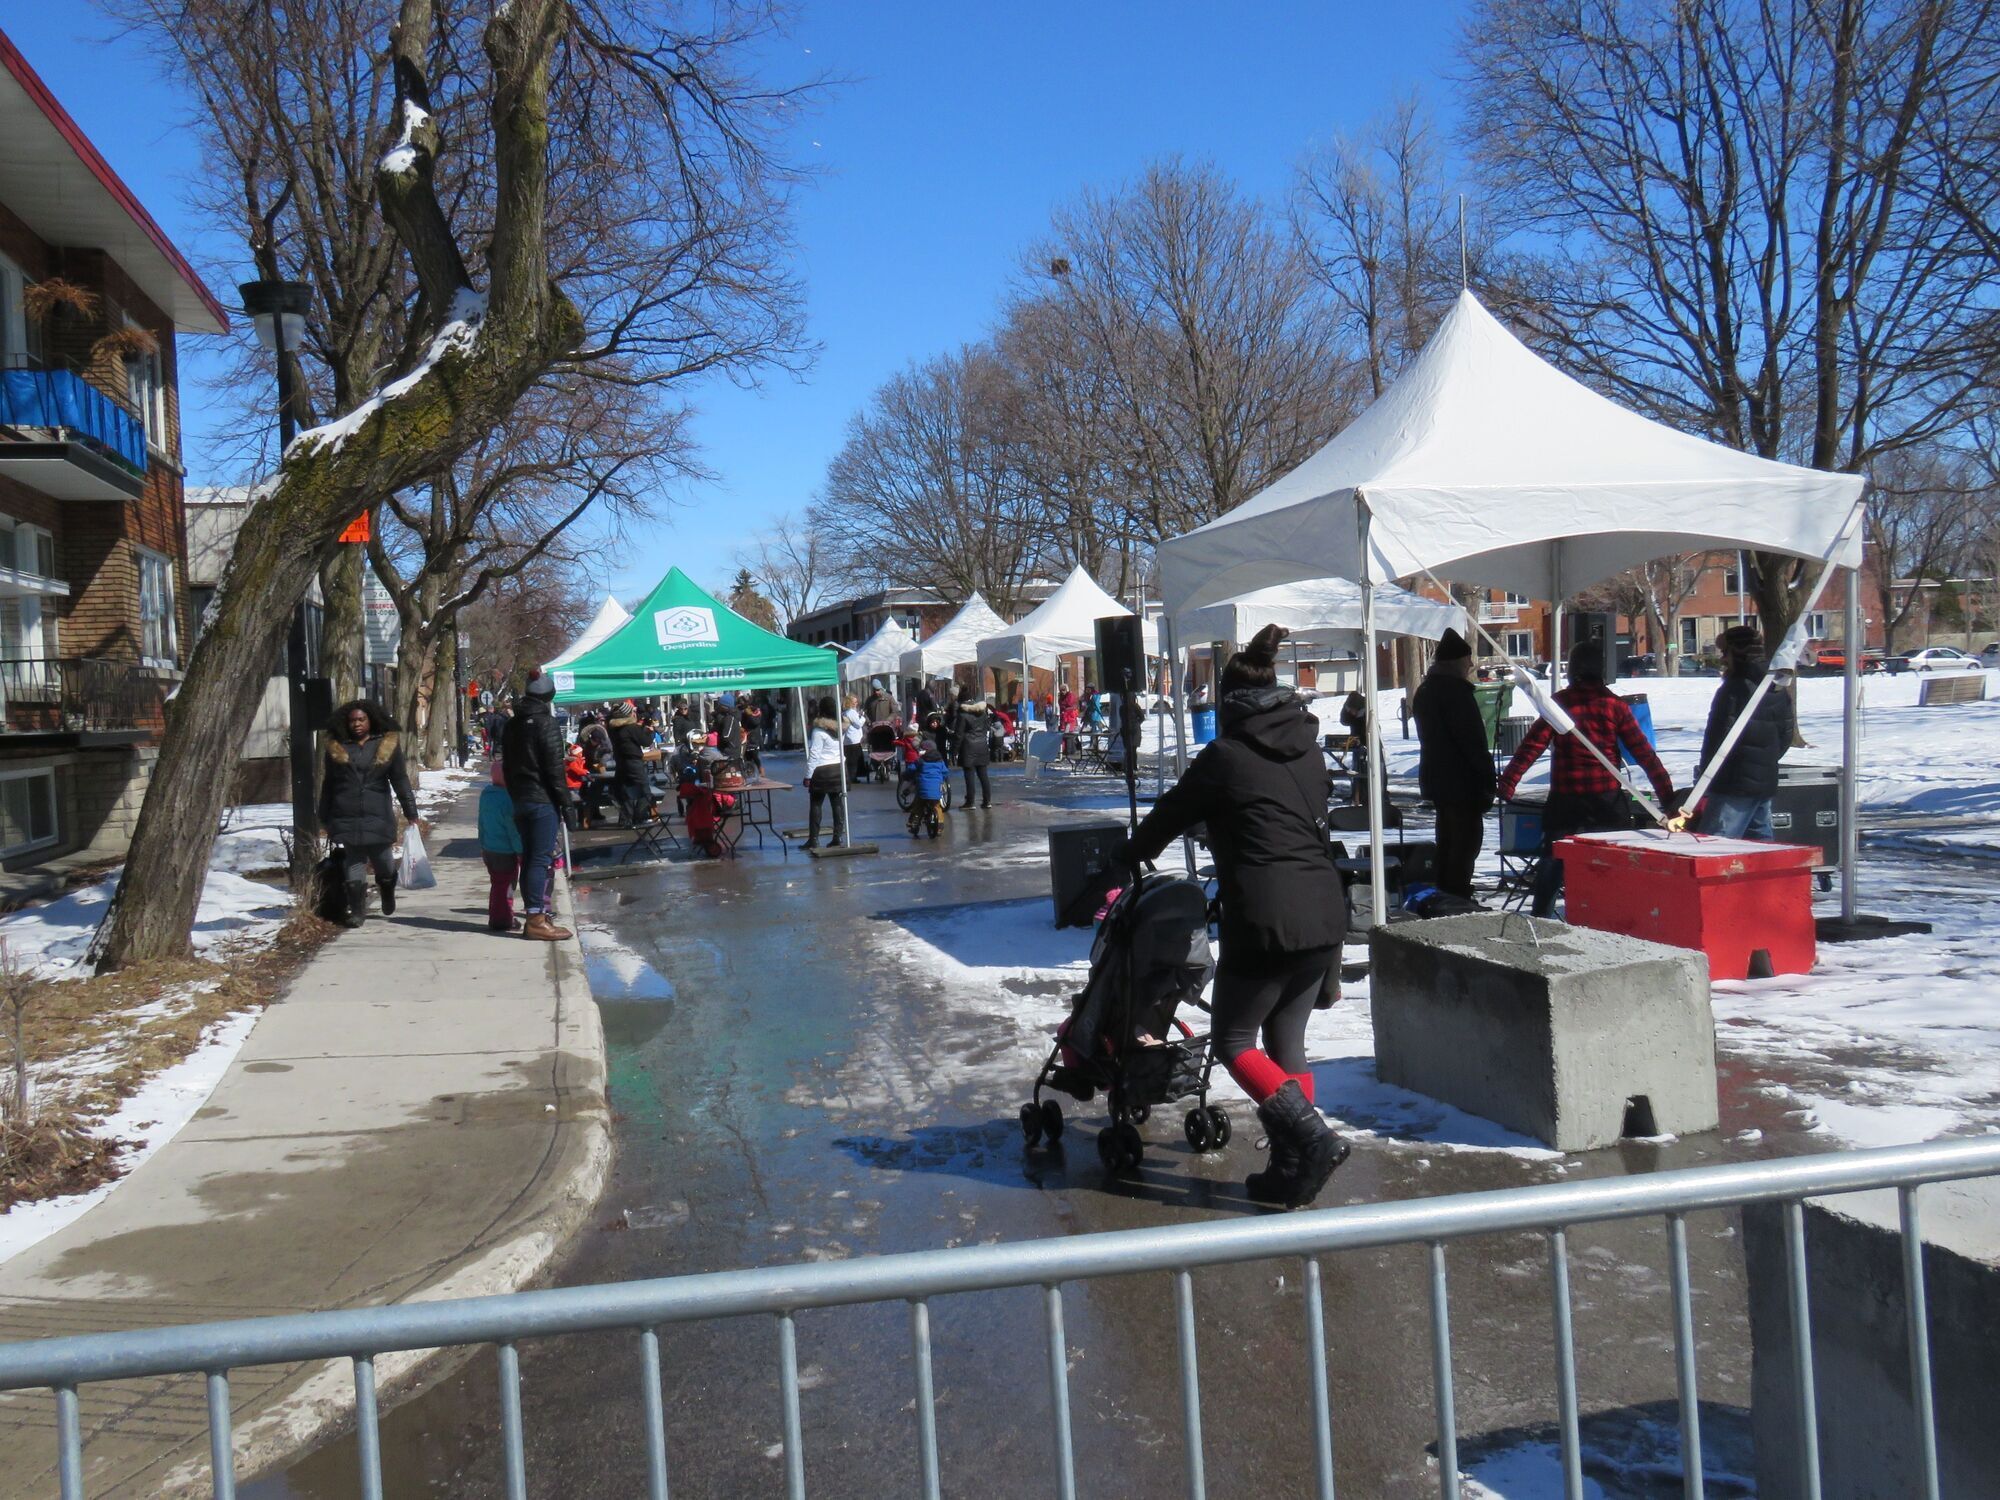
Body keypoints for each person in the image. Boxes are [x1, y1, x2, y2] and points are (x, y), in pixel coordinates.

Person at [1122, 625, 1350, 1208]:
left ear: (1228, 704)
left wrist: (1127, 855)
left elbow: (1168, 815)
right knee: (1287, 1039)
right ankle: (1290, 1167)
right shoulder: (1307, 746)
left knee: (1234, 1039)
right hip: (1325, 910)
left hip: (1267, 916)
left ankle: (1312, 1139)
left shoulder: (1224, 757)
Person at [1499, 639, 1677, 918]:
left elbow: (1531, 747)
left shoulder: (1559, 704)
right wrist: (1668, 798)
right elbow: (1644, 755)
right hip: (1605, 802)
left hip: (1566, 802)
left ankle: (1542, 920)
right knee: (1611, 867)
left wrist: (1508, 783)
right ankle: (1612, 918)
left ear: (1573, 670)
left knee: (1553, 864)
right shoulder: (1614, 705)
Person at [317, 699, 425, 929]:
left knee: (383, 861)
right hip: (346, 813)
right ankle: (357, 911)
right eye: (352, 720)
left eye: (361, 719)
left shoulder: (386, 745)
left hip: (378, 813)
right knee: (354, 861)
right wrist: (324, 815)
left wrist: (411, 811)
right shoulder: (337, 746)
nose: (357, 724)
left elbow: (400, 779)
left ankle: (387, 889)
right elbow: (329, 783)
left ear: (371, 720)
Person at [1411, 628, 1497, 901]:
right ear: (1455, 661)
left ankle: (1446, 893)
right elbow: (1471, 741)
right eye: (1466, 659)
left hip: (1438, 780)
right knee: (1464, 843)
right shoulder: (1455, 692)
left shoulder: (1426, 691)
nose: (1470, 664)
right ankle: (1456, 897)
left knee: (1448, 841)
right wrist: (1487, 778)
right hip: (1462, 782)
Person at [1693, 624, 1793, 839]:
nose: (1722, 659)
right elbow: (1786, 735)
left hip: (1733, 783)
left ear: (1736, 653)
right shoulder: (1776, 687)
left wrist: (1705, 776)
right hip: (1764, 781)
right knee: (1760, 845)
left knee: (1716, 843)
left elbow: (1717, 738)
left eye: (1725, 652)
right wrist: (1765, 761)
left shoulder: (1733, 689)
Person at [501, 672, 576, 941]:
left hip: (521, 798)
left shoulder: (513, 725)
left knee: (530, 858)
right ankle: (536, 919)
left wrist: (516, 794)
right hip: (541, 799)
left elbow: (506, 766)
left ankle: (536, 914)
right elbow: (554, 770)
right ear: (548, 697)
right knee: (539, 860)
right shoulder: (546, 724)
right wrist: (567, 805)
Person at [478, 757, 523, 932]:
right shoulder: (508, 800)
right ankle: (503, 918)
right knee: (506, 886)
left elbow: (481, 822)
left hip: (490, 848)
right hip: (506, 850)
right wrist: (520, 850)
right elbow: (513, 830)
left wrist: (482, 844)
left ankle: (497, 915)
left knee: (497, 884)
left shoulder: (486, 795)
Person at [607, 700, 662, 826]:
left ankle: (626, 819)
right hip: (633, 762)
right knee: (645, 791)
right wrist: (650, 731)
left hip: (621, 762)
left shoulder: (614, 728)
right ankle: (639, 816)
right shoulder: (631, 728)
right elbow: (646, 742)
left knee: (626, 791)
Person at [804, 696, 848, 849]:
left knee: (816, 804)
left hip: (822, 770)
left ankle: (814, 839)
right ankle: (838, 837)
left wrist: (808, 775)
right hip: (838, 767)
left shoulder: (818, 730)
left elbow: (814, 754)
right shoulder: (841, 728)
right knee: (837, 803)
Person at [954, 693, 995, 810]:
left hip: (968, 748)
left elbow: (959, 735)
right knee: (983, 775)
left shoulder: (963, 715)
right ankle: (987, 801)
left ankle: (970, 802)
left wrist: (954, 750)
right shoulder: (982, 713)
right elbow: (986, 728)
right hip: (982, 746)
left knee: (969, 776)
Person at [841, 694, 868, 781]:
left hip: (848, 739)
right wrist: (863, 717)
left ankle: (851, 776)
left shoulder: (845, 712)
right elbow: (858, 724)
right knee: (854, 760)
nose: (856, 704)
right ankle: (853, 777)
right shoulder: (851, 712)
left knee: (850, 759)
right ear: (850, 703)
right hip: (853, 740)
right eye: (855, 702)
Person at [739, 694, 766, 775]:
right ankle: (749, 772)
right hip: (745, 736)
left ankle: (760, 769)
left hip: (753, 737)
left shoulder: (756, 711)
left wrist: (749, 714)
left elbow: (755, 722)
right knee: (746, 756)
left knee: (754, 756)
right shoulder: (743, 711)